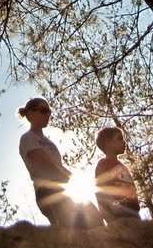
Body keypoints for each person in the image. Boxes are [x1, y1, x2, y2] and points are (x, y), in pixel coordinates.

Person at [17, 97, 101, 227]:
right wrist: (66, 172)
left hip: (63, 188)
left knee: (93, 218)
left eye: (49, 111)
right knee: (70, 229)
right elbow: (40, 157)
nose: (48, 115)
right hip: (47, 190)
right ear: (30, 114)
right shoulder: (27, 137)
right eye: (44, 111)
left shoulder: (48, 141)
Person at [94, 126, 142, 224]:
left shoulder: (124, 167)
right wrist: (108, 210)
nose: (124, 142)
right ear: (108, 143)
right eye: (119, 138)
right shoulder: (103, 164)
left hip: (133, 212)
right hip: (117, 213)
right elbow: (100, 189)